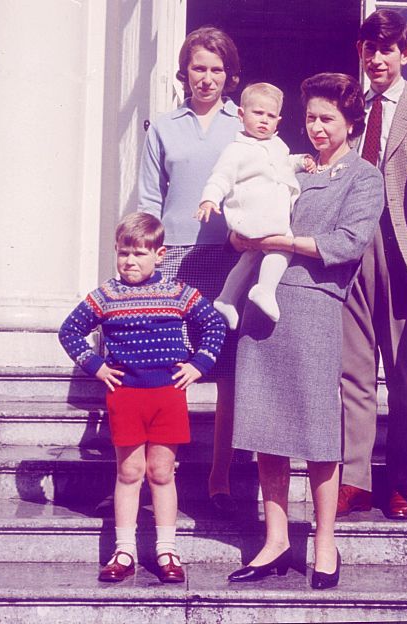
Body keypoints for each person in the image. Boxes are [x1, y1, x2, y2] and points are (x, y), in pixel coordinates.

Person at [227, 73, 384, 589]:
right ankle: (274, 541)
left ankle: (324, 542)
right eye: (310, 117)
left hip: (316, 305)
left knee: (318, 431)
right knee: (265, 426)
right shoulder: (286, 165)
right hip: (262, 306)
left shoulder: (363, 177)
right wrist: (242, 233)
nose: (315, 128)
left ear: (350, 123)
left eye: (327, 119)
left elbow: (347, 242)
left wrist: (286, 240)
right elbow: (249, 209)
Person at [58, 212, 226, 583]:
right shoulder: (106, 296)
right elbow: (70, 331)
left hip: (167, 395)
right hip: (125, 396)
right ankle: (124, 551)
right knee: (130, 471)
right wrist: (96, 365)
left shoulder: (177, 292)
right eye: (123, 253)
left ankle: (167, 550)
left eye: (139, 253)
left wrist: (199, 363)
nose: (129, 261)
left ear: (160, 254)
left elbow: (214, 324)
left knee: (162, 473)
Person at [338, 9, 407, 521]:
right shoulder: (345, 108)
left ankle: (404, 482)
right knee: (353, 372)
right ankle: (355, 480)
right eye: (369, 48)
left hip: (404, 255)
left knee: (404, 373)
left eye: (386, 50)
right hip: (350, 254)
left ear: (405, 54)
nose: (376, 58)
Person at [138, 26, 242, 516]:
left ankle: (219, 478)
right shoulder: (162, 126)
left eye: (216, 69)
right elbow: (148, 201)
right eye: (199, 67)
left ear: (229, 75)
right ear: (185, 72)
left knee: (224, 372)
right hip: (174, 258)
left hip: (228, 257)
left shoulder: (244, 124)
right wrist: (149, 263)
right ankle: (160, 472)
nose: (207, 78)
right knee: (165, 371)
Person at [197, 82, 316, 329]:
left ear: (278, 121)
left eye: (270, 116)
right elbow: (221, 176)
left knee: (250, 257)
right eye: (257, 113)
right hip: (255, 215)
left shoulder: (277, 145)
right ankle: (265, 289)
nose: (264, 120)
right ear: (241, 115)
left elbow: (283, 163)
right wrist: (209, 198)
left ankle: (226, 298)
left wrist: (301, 161)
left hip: (264, 216)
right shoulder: (236, 150)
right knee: (284, 246)